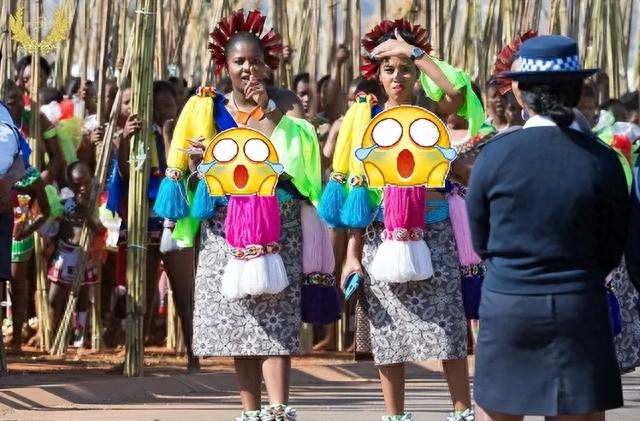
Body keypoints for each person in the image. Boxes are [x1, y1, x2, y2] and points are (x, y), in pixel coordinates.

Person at [153, 9, 322, 420]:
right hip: (225, 223)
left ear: (267, 64)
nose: (248, 68)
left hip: (277, 220)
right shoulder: (207, 108)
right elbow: (200, 171)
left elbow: (298, 159)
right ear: (224, 65)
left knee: (275, 313)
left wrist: (268, 112)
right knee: (239, 318)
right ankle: (249, 411)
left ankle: (279, 408)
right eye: (239, 61)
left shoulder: (285, 103)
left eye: (255, 60)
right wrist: (198, 162)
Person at [320, 19, 483, 421]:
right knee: (387, 335)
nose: (398, 76)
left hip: (436, 230)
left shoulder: (430, 114)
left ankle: (462, 414)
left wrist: (416, 53)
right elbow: (362, 193)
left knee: (449, 331)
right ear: (378, 76)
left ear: (416, 73)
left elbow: (456, 93)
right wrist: (352, 255)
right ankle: (395, 416)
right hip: (381, 236)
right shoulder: (367, 122)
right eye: (389, 69)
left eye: (406, 68)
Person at [467, 35, 629, 421]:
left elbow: (481, 240)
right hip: (579, 306)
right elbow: (613, 246)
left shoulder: (494, 156)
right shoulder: (603, 160)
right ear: (575, 92)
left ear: (521, 95)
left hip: (509, 304)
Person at [48, 161, 104, 348]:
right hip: (65, 253)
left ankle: (79, 338)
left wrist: (86, 213)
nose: (83, 187)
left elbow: (99, 229)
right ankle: (54, 335)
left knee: (82, 299)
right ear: (71, 184)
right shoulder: (67, 203)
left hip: (84, 255)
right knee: (54, 298)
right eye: (78, 184)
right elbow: (60, 226)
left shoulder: (95, 203)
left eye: (86, 182)